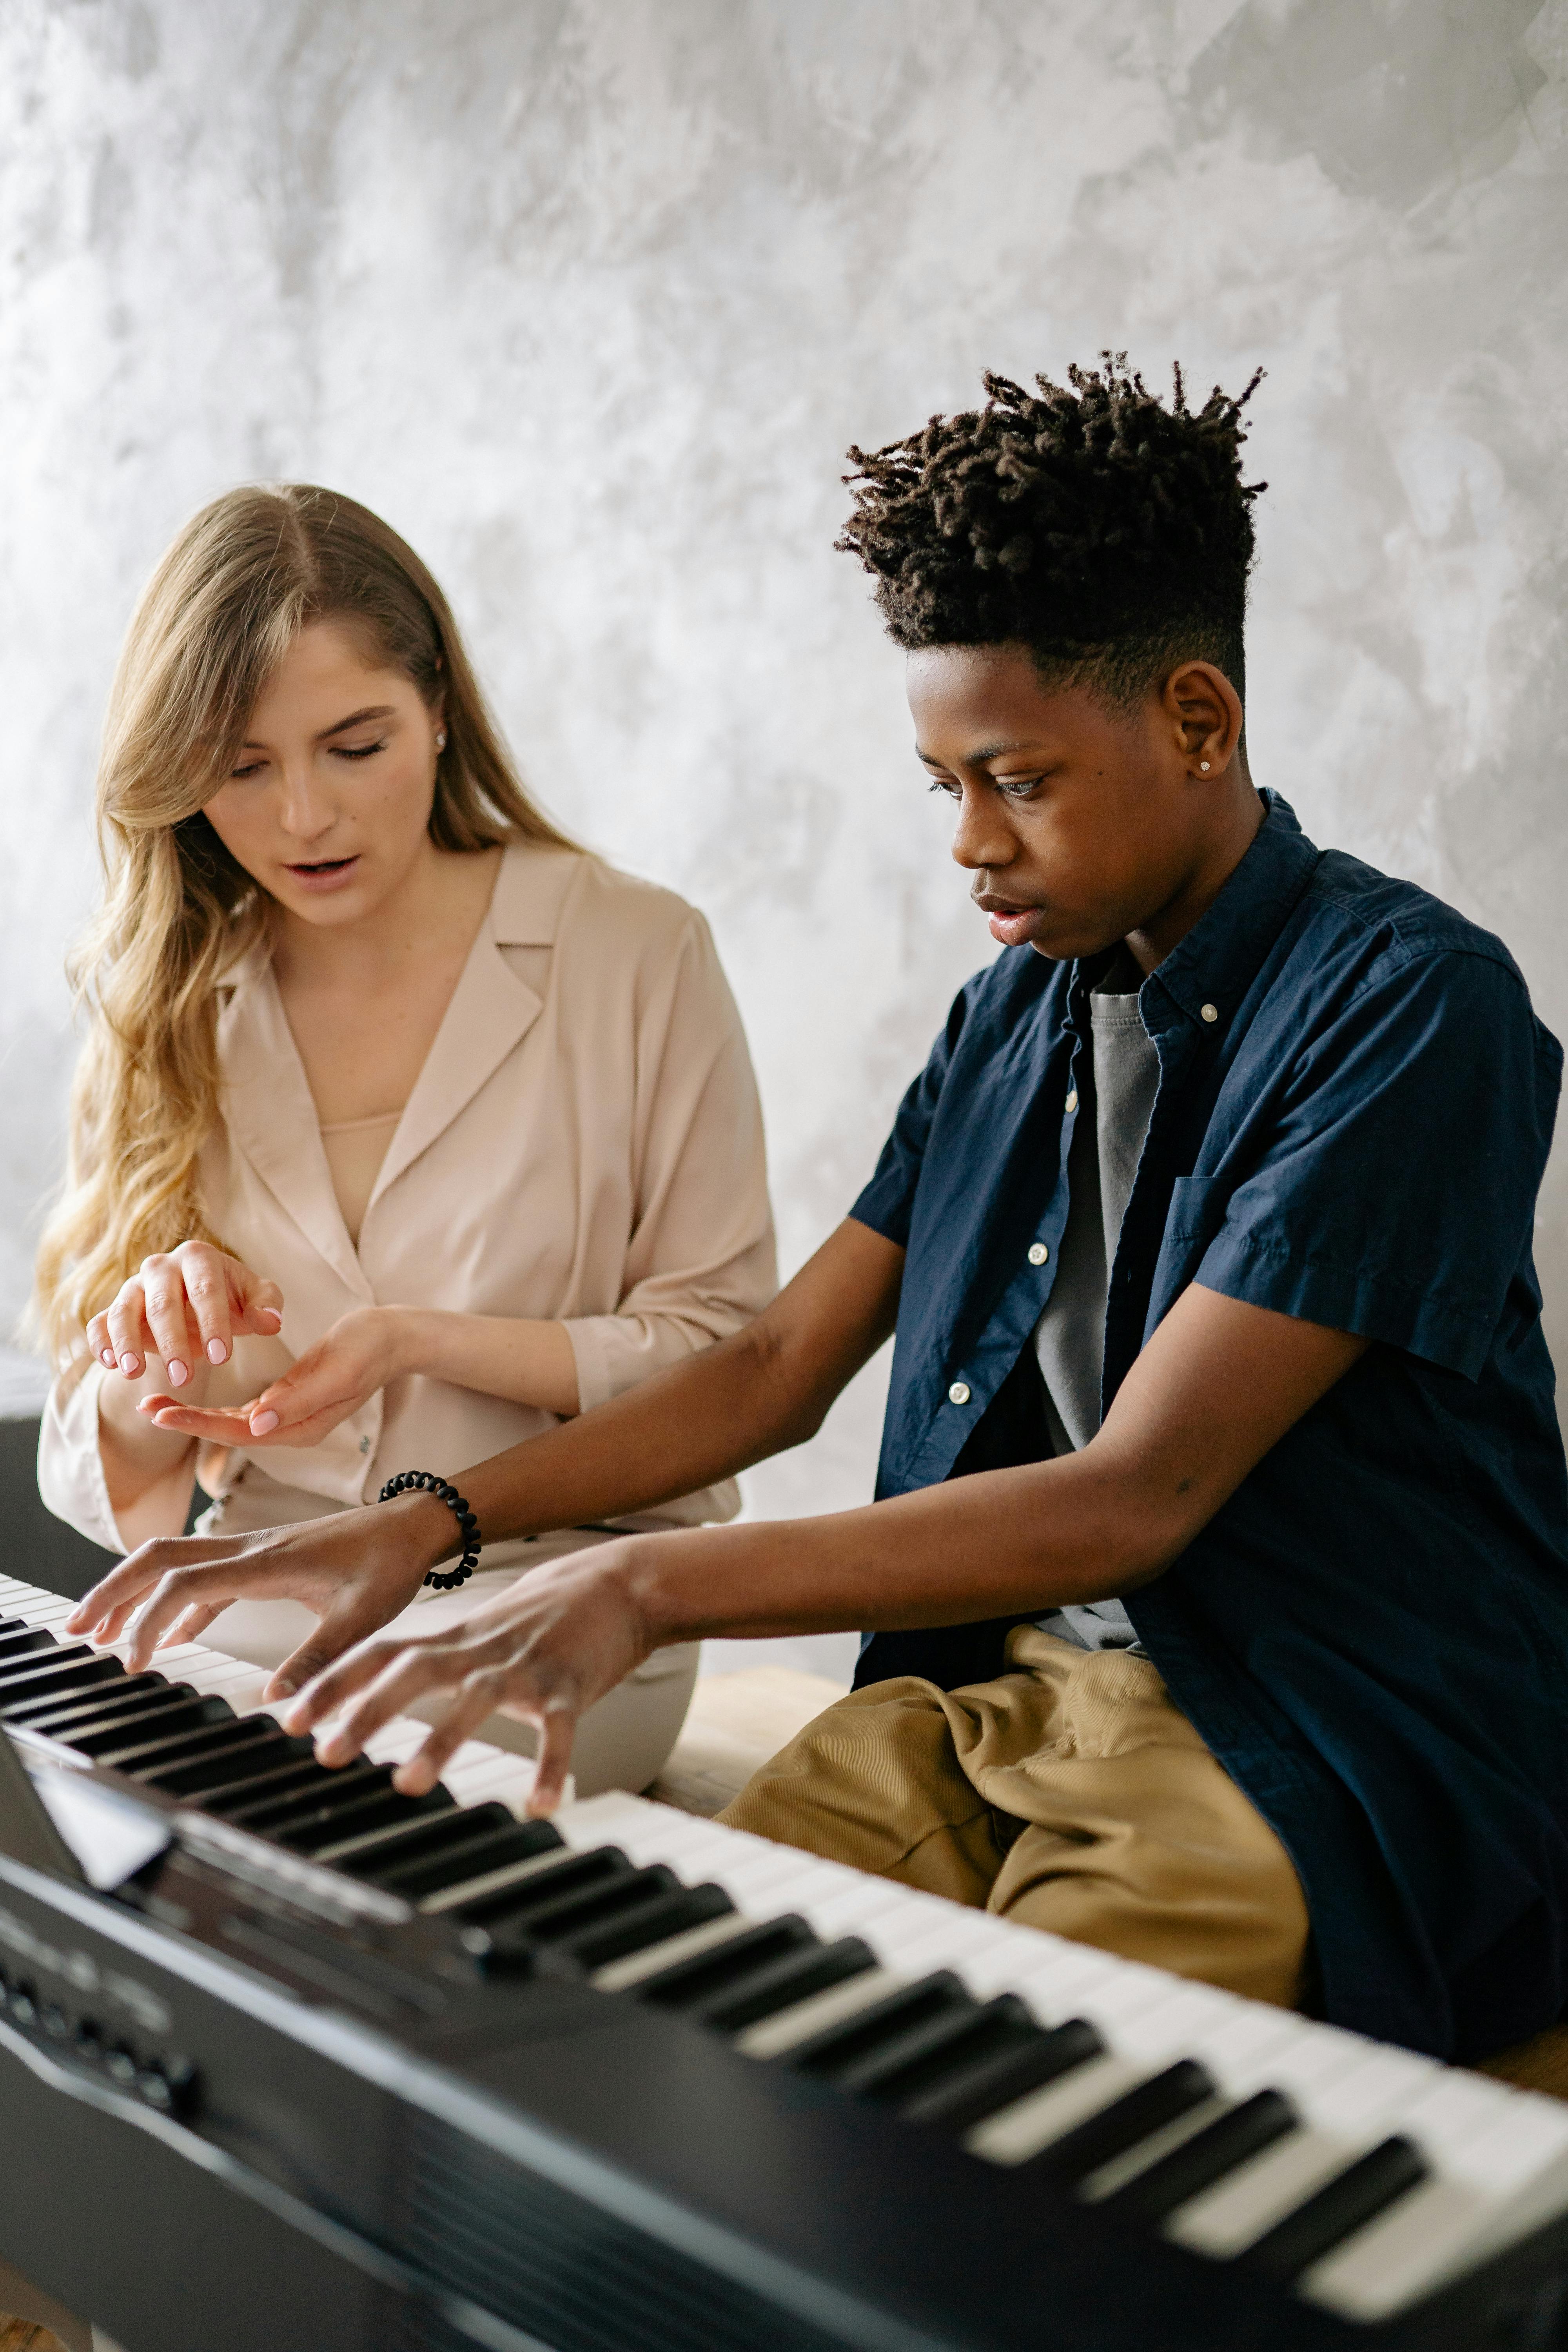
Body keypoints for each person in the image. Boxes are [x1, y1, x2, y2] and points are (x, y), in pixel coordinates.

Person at [72, 364, 1568, 2065]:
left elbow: (1135, 1494)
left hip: (1320, 1724)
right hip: (993, 1699)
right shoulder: (1011, 1014)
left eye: (1016, 779)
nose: (969, 846)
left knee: (999, 2124)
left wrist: (642, 1588)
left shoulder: (1412, 1006)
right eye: (945, 786)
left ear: (1199, 721)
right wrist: (427, 1524)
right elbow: (775, 1361)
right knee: (663, 2034)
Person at [39, 483, 776, 1794]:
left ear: (438, 707)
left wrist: (427, 1342)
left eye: (354, 745)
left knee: (327, 1794)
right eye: (241, 766)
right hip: (250, 1601)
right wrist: (147, 1352)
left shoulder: (636, 952)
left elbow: (732, 1360)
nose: (303, 818)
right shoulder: (164, 993)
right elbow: (111, 1481)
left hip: (560, 1605)